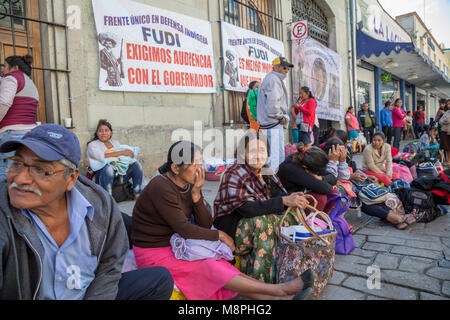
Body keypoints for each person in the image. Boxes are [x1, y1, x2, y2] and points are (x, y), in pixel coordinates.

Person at [0, 124, 174, 300]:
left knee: (160, 279)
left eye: (40, 169)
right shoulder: (4, 216)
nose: (20, 178)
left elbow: (110, 264)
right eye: (17, 163)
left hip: (88, 293)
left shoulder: (100, 204)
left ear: (71, 178)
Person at [131, 140, 315, 300]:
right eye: (193, 164)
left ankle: (277, 297)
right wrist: (219, 235)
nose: (199, 168)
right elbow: (185, 229)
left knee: (217, 263)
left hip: (176, 243)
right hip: (154, 251)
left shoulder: (188, 184)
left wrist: (196, 195)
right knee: (209, 267)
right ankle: (281, 290)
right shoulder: (161, 186)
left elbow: (204, 223)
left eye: (199, 162)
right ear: (175, 168)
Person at [213, 131, 310, 283]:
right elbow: (247, 208)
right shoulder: (235, 172)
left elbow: (277, 196)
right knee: (262, 223)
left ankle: (289, 270)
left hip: (253, 222)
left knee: (293, 214)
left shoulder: (266, 171)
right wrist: (284, 201)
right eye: (252, 151)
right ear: (242, 154)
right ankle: (261, 282)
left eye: (262, 150)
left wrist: (293, 198)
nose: (258, 155)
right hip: (234, 229)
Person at [0, 55, 39, 181]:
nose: (3, 70)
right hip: (29, 134)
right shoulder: (31, 83)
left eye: (5, 66)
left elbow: (4, 102)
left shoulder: (12, 77)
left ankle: (6, 201)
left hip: (12, 134)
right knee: (23, 174)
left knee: (6, 175)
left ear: (15, 67)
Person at [86, 119, 143, 199]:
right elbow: (102, 158)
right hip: (102, 177)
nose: (104, 133)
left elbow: (126, 157)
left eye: (106, 130)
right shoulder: (92, 145)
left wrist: (126, 159)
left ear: (111, 132)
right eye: (101, 131)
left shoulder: (115, 143)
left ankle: (137, 193)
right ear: (97, 133)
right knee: (108, 167)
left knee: (136, 164)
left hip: (118, 176)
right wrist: (121, 153)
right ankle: (108, 200)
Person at [257, 56, 293, 172]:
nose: (286, 71)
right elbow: (272, 106)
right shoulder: (273, 79)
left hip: (267, 126)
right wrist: (281, 116)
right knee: (275, 160)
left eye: (288, 69)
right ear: (276, 67)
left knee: (270, 158)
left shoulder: (272, 79)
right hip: (272, 125)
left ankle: (269, 184)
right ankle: (272, 186)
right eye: (284, 68)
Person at [278, 143, 337, 212]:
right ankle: (311, 222)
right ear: (305, 168)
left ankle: (322, 220)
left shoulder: (306, 160)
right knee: (320, 198)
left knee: (334, 193)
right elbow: (326, 188)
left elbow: (333, 178)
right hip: (286, 202)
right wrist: (323, 182)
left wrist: (321, 178)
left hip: (299, 195)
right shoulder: (293, 168)